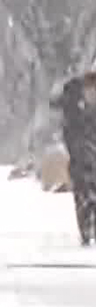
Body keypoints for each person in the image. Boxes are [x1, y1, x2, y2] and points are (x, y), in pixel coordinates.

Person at [55, 73, 96, 246]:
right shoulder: (73, 93)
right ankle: (85, 229)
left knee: (85, 192)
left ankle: (87, 227)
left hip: (83, 152)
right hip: (81, 155)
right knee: (82, 192)